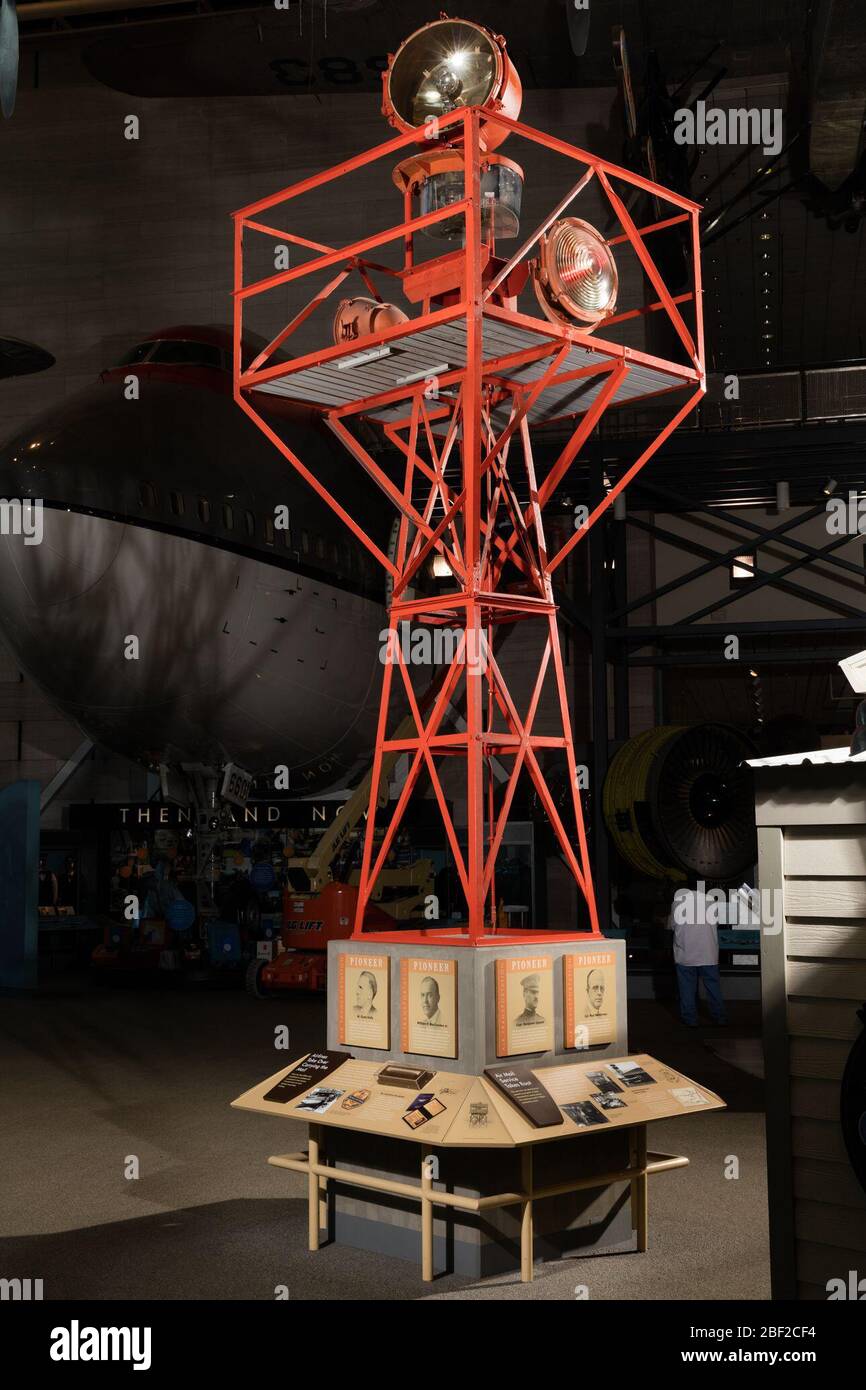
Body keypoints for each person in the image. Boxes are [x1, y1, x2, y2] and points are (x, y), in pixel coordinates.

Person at [667, 879, 728, 1028]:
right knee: (713, 988)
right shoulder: (710, 900)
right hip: (708, 953)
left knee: (687, 989)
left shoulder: (678, 902)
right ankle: (720, 1018)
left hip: (686, 953)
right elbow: (717, 922)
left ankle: (690, 1020)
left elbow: (672, 925)